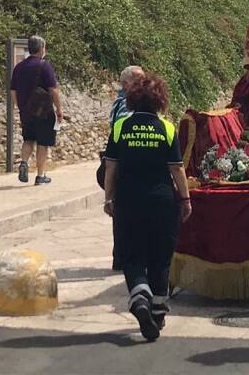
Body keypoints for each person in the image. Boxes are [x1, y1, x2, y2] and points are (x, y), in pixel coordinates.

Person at [102, 73, 191, 342]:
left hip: (129, 200)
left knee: (132, 254)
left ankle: (140, 298)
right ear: (160, 100)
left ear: (132, 99)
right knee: (160, 256)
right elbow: (176, 169)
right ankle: (158, 311)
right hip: (162, 200)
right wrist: (185, 199)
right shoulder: (167, 129)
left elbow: (111, 166)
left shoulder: (120, 128)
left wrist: (109, 198)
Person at [10, 36, 64, 185]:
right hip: (44, 112)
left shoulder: (19, 67)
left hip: (26, 112)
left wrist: (20, 107)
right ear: (41, 49)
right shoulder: (44, 65)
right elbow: (53, 90)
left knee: (28, 139)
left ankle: (24, 162)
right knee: (42, 143)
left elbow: (13, 91)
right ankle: (40, 176)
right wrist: (59, 109)